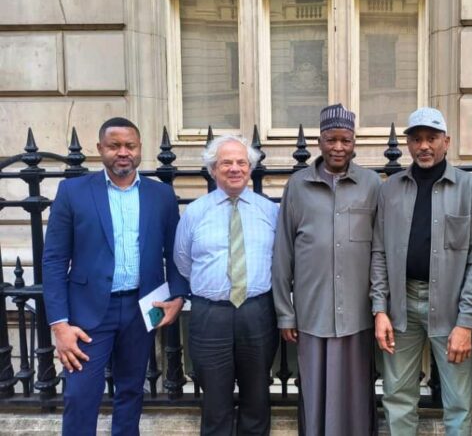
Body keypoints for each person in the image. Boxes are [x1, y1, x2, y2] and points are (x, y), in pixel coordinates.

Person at [42, 117, 188, 436]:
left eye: (130, 146)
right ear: (100, 149)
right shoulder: (73, 192)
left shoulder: (160, 195)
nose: (123, 152)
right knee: (81, 396)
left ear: (139, 150)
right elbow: (53, 260)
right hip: (88, 313)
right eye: (114, 145)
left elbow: (175, 252)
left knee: (131, 392)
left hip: (142, 308)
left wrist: (177, 296)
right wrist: (59, 324)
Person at [370, 107, 472, 436]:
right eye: (417, 139)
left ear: (446, 141)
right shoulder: (390, 189)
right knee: (397, 395)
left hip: (451, 308)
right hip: (401, 304)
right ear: (408, 144)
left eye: (432, 138)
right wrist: (379, 309)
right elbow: (378, 250)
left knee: (457, 400)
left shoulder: (470, 189)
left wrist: (466, 322)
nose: (424, 146)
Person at [272, 103, 381, 436]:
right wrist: (285, 313)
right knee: (315, 391)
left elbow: (381, 249)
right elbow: (282, 251)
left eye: (345, 140)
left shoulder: (371, 184)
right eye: (331, 139)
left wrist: (380, 307)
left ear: (354, 142)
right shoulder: (298, 186)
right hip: (312, 311)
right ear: (319, 141)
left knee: (356, 390)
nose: (338, 147)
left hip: (356, 312)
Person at [174, 135, 278, 436]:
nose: (234, 168)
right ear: (213, 170)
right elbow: (183, 260)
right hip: (210, 315)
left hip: (257, 312)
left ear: (250, 167)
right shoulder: (195, 212)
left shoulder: (269, 210)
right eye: (226, 163)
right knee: (215, 402)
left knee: (256, 398)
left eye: (241, 162)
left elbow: (281, 258)